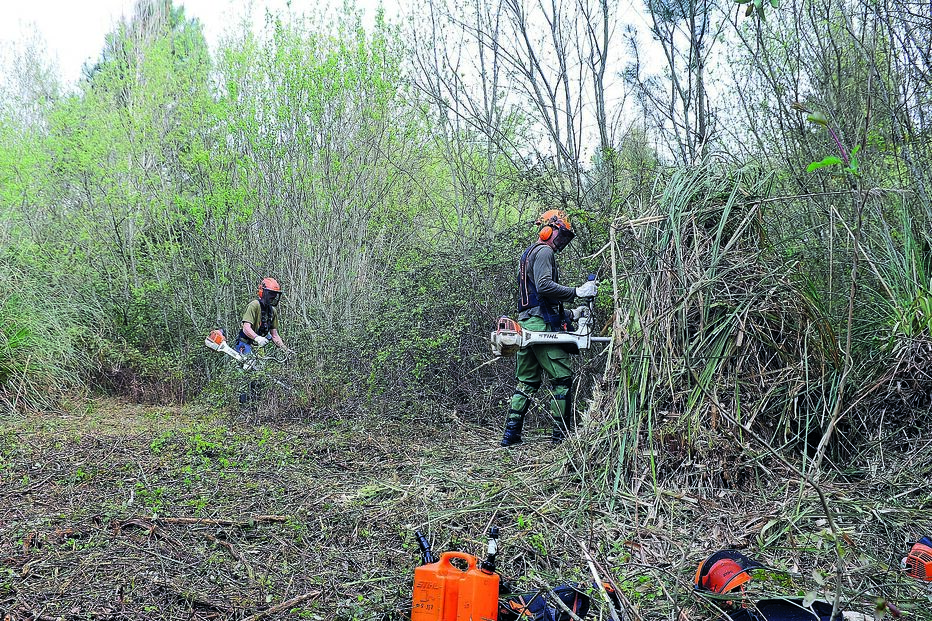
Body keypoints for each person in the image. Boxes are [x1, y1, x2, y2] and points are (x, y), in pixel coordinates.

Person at [500, 210, 597, 447]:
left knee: (527, 382)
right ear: (548, 229)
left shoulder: (528, 254)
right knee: (562, 378)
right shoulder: (544, 251)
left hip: (526, 325)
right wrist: (577, 292)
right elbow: (543, 287)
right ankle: (560, 438)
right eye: (560, 234)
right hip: (541, 327)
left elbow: (537, 301)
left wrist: (571, 314)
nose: (561, 241)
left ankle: (510, 437)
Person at [235, 277, 289, 403]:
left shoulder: (272, 311)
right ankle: (244, 407)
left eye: (274, 295)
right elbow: (246, 327)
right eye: (271, 294)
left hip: (258, 347)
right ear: (263, 292)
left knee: (260, 376)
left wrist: (286, 350)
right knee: (247, 374)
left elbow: (274, 335)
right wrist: (257, 338)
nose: (273, 297)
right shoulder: (254, 306)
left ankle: (256, 405)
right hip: (245, 344)